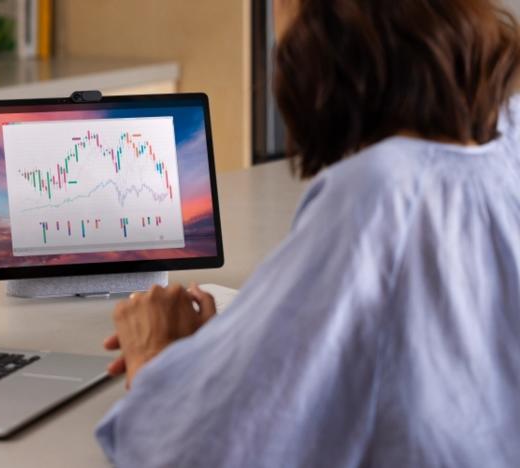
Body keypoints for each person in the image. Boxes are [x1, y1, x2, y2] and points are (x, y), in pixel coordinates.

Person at [95, 0, 520, 466]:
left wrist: (153, 351)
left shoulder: (377, 194)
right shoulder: (506, 136)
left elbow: (194, 451)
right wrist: (237, 343)